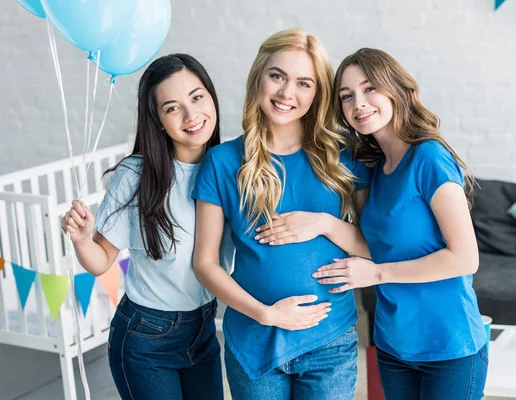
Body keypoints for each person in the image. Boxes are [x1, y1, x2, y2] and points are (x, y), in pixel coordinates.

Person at [192, 29, 371, 399]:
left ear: (318, 92)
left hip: (330, 341)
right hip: (254, 341)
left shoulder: (345, 155)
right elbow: (205, 263)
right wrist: (265, 314)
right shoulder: (223, 162)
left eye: (303, 83)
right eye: (278, 76)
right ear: (259, 76)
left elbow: (374, 248)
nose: (287, 93)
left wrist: (323, 223)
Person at [314, 48, 488, 400]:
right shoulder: (372, 167)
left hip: (450, 346)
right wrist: (322, 223)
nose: (357, 103)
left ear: (396, 88)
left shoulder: (430, 157)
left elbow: (465, 258)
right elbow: (375, 244)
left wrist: (376, 273)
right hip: (393, 345)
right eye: (346, 96)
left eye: (369, 88)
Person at [60, 53, 233, 400]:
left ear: (211, 97)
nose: (191, 115)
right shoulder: (136, 175)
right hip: (146, 336)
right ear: (157, 120)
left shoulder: (229, 165)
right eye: (172, 108)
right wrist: (81, 240)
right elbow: (100, 260)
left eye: (197, 97)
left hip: (204, 328)